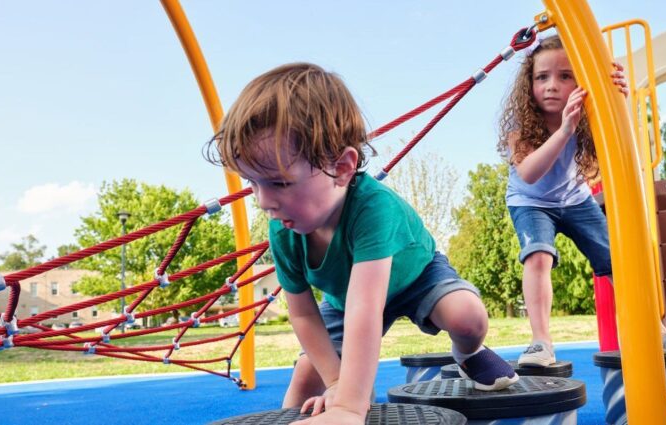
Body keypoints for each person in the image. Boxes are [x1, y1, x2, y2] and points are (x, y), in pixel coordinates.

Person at [206, 63, 518, 425]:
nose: (263, 201)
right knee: (305, 382)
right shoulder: (283, 229)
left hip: (416, 278)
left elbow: (366, 309)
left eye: (278, 183)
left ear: (341, 168)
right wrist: (336, 380)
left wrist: (350, 406)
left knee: (467, 318)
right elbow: (304, 313)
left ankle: (468, 354)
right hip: (344, 300)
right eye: (252, 183)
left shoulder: (373, 208)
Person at [500, 35, 666, 367]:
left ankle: (656, 331)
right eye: (542, 77)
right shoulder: (521, 123)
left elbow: (617, 146)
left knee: (618, 260)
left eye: (565, 76)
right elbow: (528, 173)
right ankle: (541, 342)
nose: (552, 85)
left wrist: (615, 98)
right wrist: (565, 129)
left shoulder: (588, 113)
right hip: (531, 201)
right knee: (537, 257)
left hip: (576, 199)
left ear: (582, 80)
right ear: (530, 82)